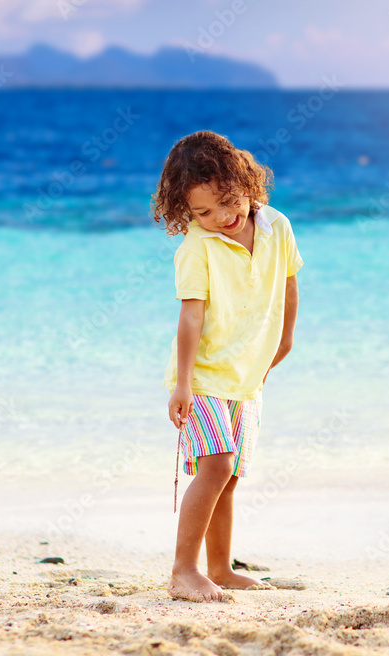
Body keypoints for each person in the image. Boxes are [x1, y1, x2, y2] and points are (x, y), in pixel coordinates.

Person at [151, 130, 303, 602]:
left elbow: (289, 281)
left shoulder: (277, 226)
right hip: (204, 377)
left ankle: (221, 566)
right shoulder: (197, 248)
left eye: (228, 202)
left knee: (231, 473)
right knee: (214, 465)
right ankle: (184, 570)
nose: (221, 218)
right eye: (202, 212)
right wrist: (181, 385)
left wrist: (286, 339)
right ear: (185, 213)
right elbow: (190, 315)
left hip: (248, 375)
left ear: (246, 184)